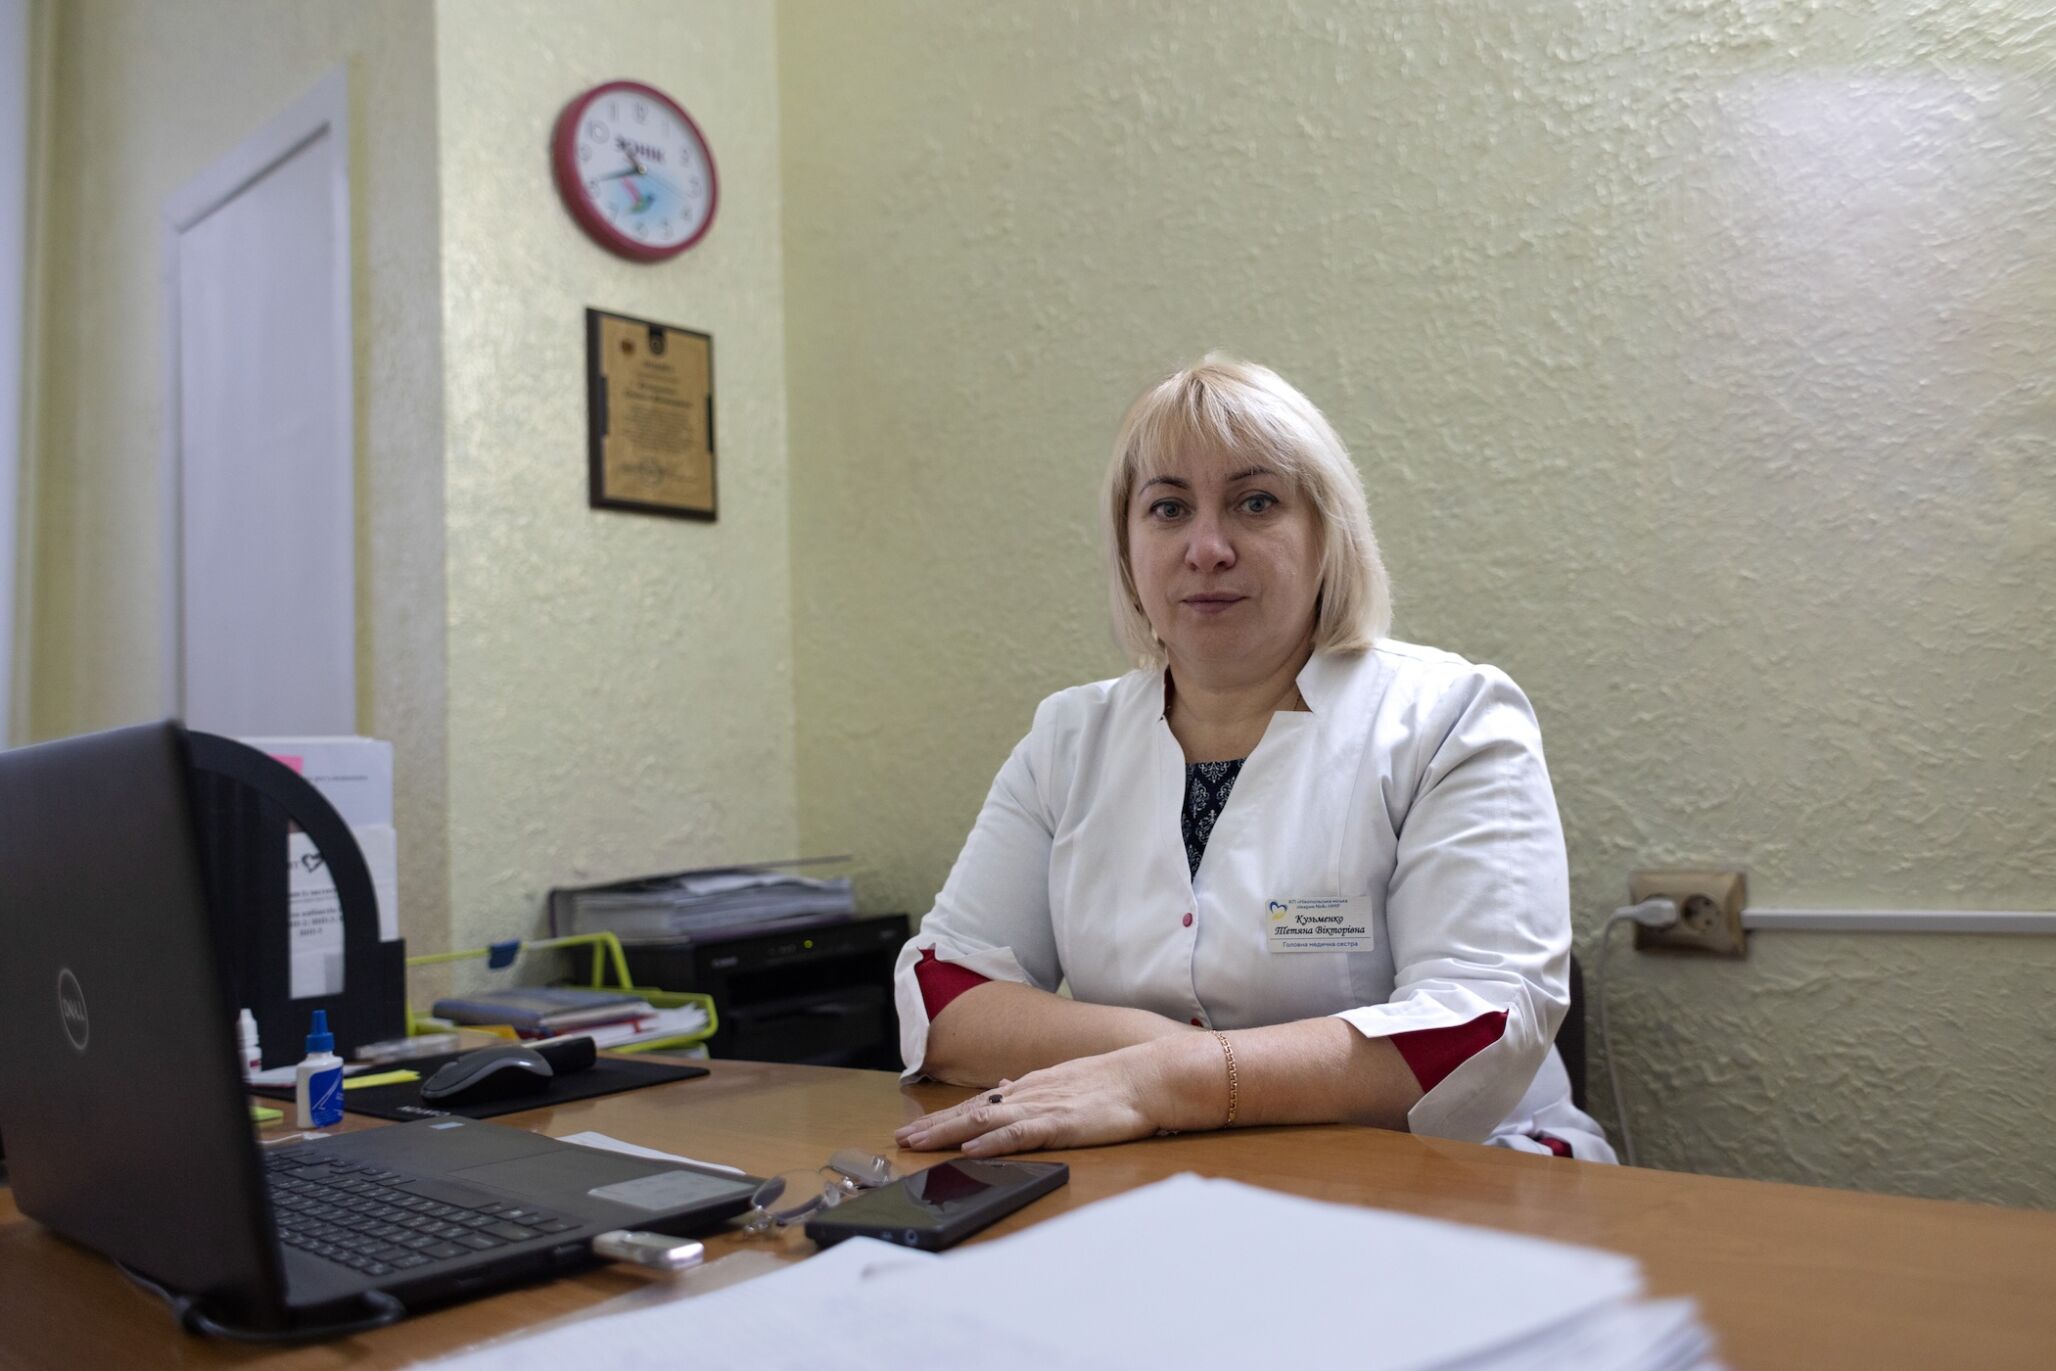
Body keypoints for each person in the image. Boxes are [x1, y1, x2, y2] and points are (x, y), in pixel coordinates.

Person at [891, 355, 1614, 1163]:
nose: (1207, 547)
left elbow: (1477, 1022)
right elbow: (940, 993)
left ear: (1326, 535)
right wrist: (1160, 1060)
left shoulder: (1451, 719)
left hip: (1451, 1175)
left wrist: (1172, 1081)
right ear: (1129, 552)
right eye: (1167, 507)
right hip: (1167, 1170)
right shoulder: (1068, 739)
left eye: (1255, 502)